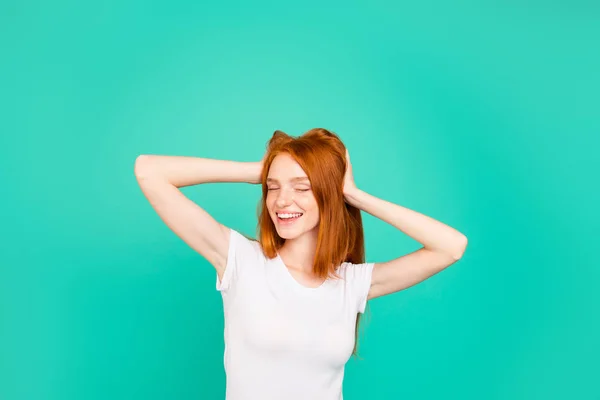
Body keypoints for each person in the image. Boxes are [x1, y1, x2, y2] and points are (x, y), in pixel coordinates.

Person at [134, 128, 468, 400]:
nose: (282, 200)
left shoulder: (351, 283)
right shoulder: (239, 260)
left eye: (302, 187)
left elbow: (451, 246)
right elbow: (148, 171)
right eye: (272, 187)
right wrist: (257, 171)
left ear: (328, 195)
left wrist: (353, 195)